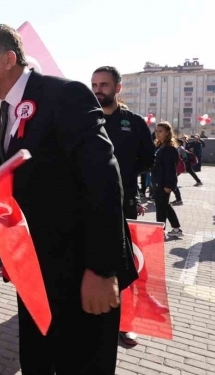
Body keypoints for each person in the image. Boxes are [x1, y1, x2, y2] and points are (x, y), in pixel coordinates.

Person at [0, 24, 135, 374]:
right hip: (34, 274)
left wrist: (102, 270)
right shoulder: (1, 116)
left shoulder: (65, 95)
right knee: (38, 363)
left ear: (9, 58)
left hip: (82, 277)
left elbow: (103, 180)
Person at [91, 66, 155, 347]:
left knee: (126, 266)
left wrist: (126, 178)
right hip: (87, 206)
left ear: (118, 88)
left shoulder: (134, 122)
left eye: (104, 85)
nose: (98, 90)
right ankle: (90, 320)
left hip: (123, 205)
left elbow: (148, 158)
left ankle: (126, 323)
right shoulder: (84, 120)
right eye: (94, 84)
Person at [153, 122, 183, 237]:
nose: (157, 133)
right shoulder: (160, 147)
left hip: (163, 183)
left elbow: (170, 170)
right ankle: (176, 229)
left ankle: (159, 232)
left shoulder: (169, 149)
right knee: (165, 205)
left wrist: (168, 186)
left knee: (161, 208)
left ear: (167, 133)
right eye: (156, 131)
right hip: (157, 182)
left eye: (160, 131)